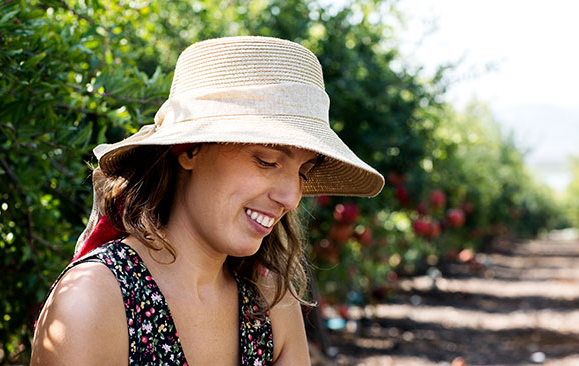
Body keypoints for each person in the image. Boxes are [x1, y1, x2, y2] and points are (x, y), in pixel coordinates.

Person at [31, 36, 384, 365]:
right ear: (189, 150)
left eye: (302, 172)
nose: (291, 197)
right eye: (266, 161)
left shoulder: (270, 300)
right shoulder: (94, 301)